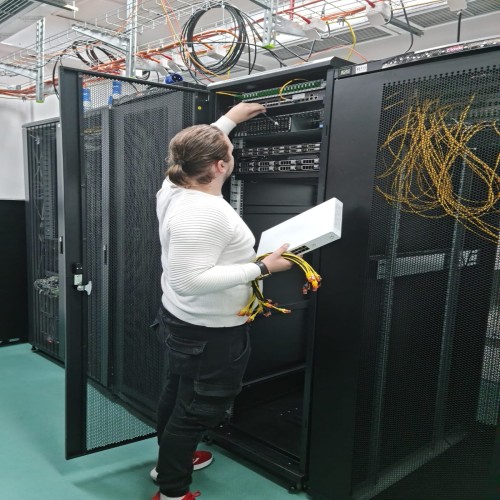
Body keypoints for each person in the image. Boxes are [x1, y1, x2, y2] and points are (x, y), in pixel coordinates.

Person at [151, 102, 293, 500]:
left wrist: (229, 120)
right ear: (218, 166)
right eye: (229, 152)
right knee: (197, 408)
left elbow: (195, 151)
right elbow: (188, 281)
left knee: (179, 393)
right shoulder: (205, 213)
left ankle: (169, 462)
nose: (232, 155)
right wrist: (262, 268)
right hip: (209, 333)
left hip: (183, 322)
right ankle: (172, 490)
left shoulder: (174, 187)